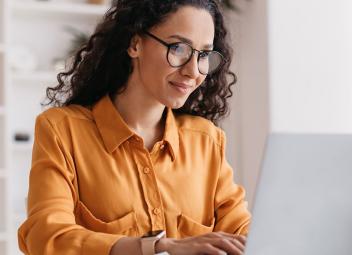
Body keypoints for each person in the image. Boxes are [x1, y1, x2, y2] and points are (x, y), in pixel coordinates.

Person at [17, 0, 251, 254]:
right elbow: (46, 236)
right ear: (135, 44)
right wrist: (158, 247)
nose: (193, 71)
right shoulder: (62, 130)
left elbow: (242, 232)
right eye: (179, 48)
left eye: (203, 55)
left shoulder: (206, 139)